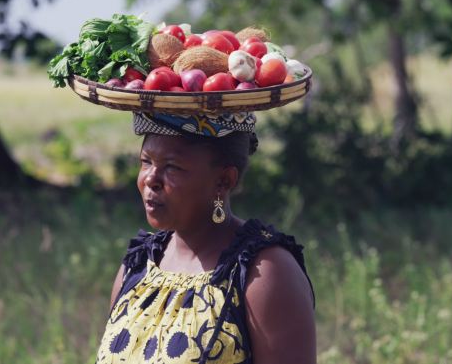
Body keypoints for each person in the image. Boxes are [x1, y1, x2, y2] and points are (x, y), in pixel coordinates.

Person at [94, 111, 316, 364]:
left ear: (223, 180)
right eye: (146, 161)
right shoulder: (138, 266)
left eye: (172, 167)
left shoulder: (263, 273)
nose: (150, 179)